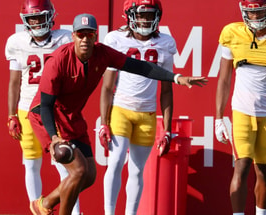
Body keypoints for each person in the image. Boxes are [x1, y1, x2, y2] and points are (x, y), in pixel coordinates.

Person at [28, 13, 207, 215]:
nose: (85, 40)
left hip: (72, 116)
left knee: (89, 175)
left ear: (96, 37)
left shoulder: (102, 54)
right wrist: (53, 138)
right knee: (78, 171)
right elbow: (45, 105)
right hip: (49, 116)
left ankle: (44, 204)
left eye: (89, 35)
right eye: (80, 35)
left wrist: (176, 77)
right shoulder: (59, 60)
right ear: (73, 36)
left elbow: (139, 66)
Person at [5, 0, 81, 214]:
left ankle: (74, 211)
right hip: (28, 109)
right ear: (25, 21)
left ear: (51, 16)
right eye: (33, 18)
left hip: (54, 109)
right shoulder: (17, 42)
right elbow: (14, 82)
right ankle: (39, 210)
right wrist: (11, 115)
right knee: (31, 163)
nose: (38, 23)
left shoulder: (65, 38)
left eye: (41, 17)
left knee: (65, 163)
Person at [99, 0, 176, 214]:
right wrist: (104, 122)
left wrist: (167, 129)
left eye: (150, 15)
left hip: (147, 113)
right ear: (129, 15)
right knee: (115, 161)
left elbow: (167, 90)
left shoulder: (165, 43)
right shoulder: (116, 40)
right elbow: (107, 87)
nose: (145, 19)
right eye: (141, 14)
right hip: (121, 109)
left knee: (137, 170)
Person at [215, 0, 266, 214]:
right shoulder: (232, 32)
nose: (254, 17)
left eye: (259, 12)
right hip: (243, 111)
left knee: (264, 171)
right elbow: (224, 79)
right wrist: (218, 117)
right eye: (250, 13)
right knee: (242, 166)